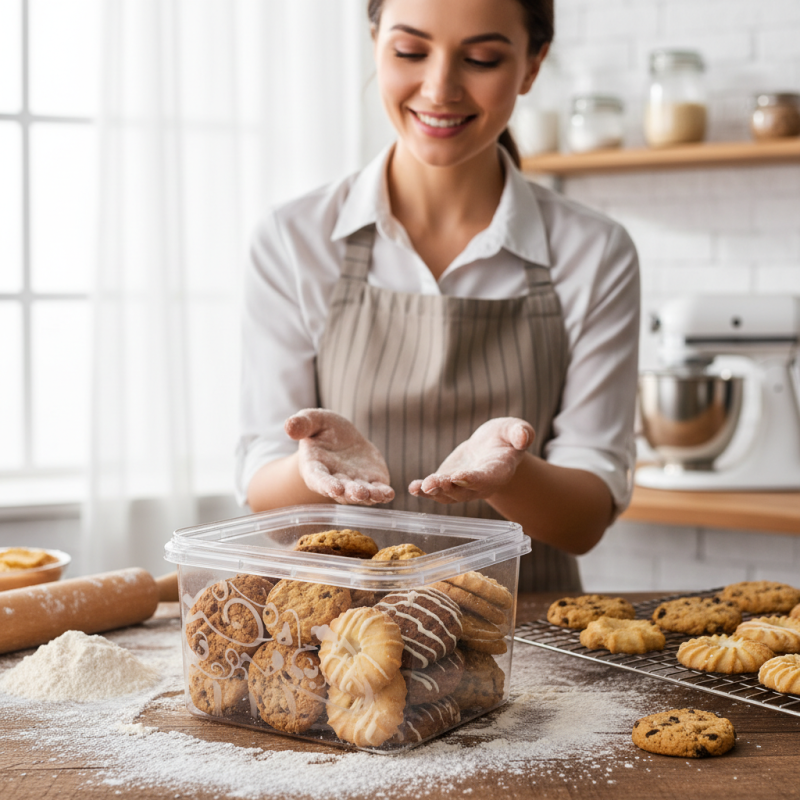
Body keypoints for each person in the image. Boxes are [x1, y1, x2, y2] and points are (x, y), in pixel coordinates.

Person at [236, 0, 640, 592]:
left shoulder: (594, 252)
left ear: (532, 66)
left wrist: (507, 475)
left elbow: (584, 519)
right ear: (376, 42)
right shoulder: (294, 239)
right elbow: (264, 500)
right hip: (344, 639)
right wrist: (309, 468)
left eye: (481, 58)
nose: (440, 86)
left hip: (529, 643)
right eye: (410, 51)